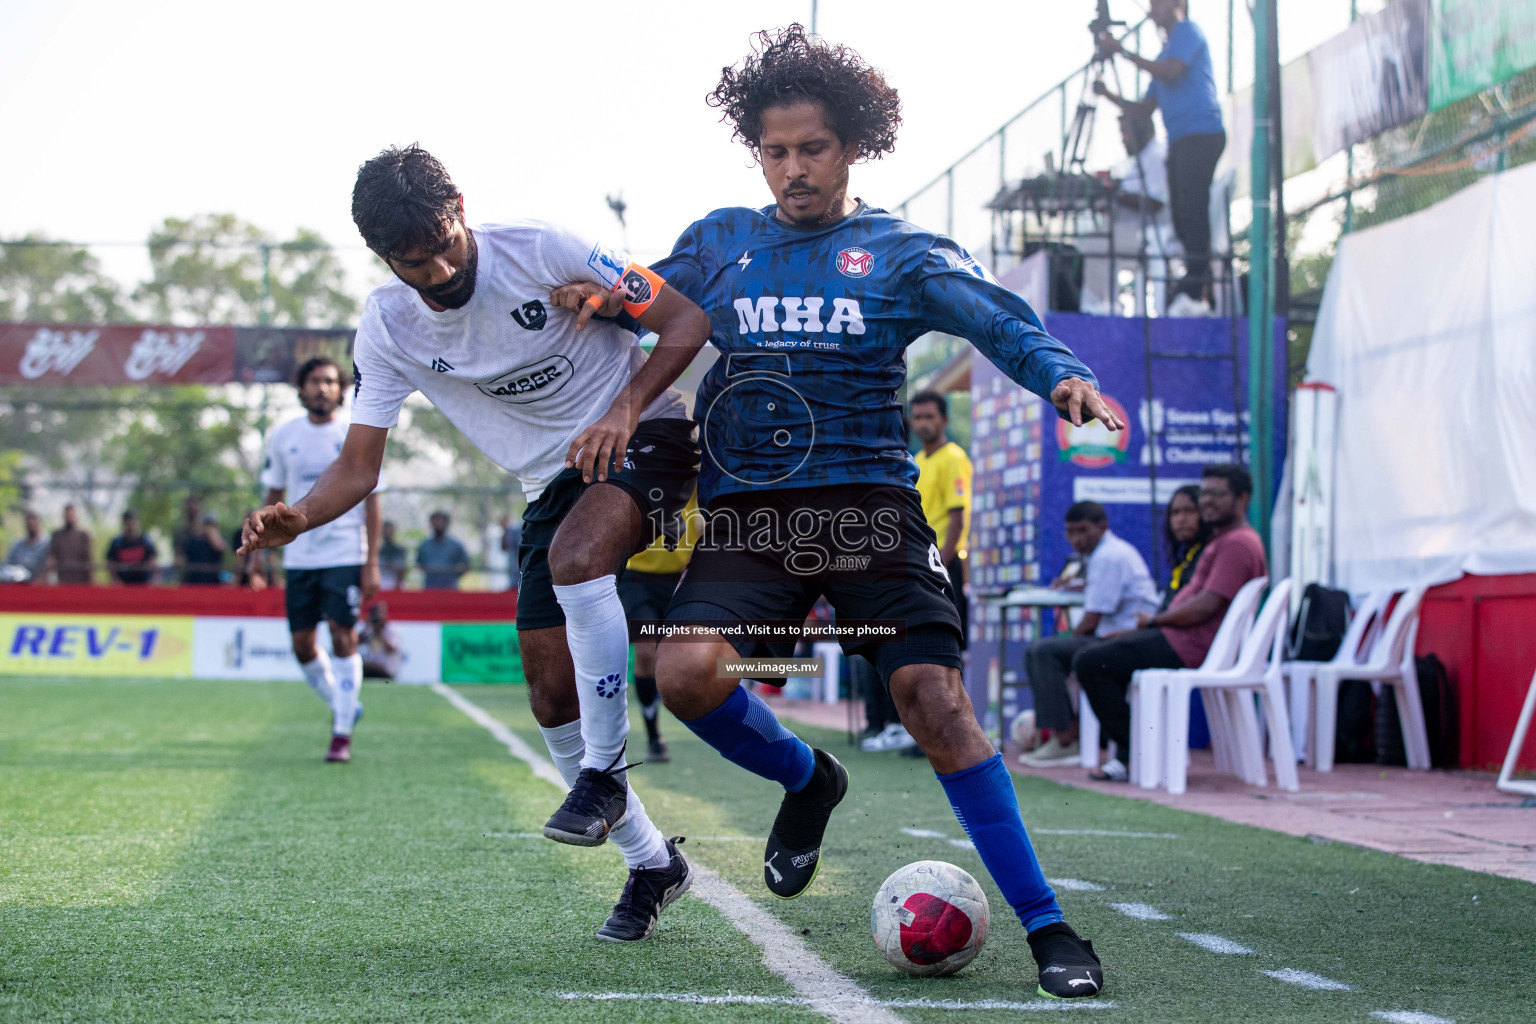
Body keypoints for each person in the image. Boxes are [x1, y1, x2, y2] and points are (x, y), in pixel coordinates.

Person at [551, 26, 1119, 998]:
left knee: (935, 705)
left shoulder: (899, 252)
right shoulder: (725, 239)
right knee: (685, 675)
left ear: (852, 145)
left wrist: (1065, 381)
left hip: (869, 514)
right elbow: (656, 293)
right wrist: (601, 297)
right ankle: (809, 778)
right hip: (750, 520)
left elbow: (999, 321)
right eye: (775, 150)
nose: (793, 168)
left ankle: (1049, 926)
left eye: (812, 148)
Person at [238, 145, 713, 942]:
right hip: (550, 484)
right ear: (385, 258)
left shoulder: (543, 246)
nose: (436, 272)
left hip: (648, 432)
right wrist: (302, 516)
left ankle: (602, 775)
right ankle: (651, 862)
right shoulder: (387, 323)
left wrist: (625, 408)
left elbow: (685, 319)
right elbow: (359, 466)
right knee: (549, 696)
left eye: (444, 246)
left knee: (576, 559)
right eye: (411, 262)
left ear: (460, 204)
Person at [1074, 464, 1267, 781]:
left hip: (1190, 646)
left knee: (1091, 661)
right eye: (1204, 492)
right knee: (1102, 652)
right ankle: (1130, 754)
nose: (1207, 501)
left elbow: (1206, 607)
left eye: (1217, 493)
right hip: (1180, 639)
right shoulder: (1225, 541)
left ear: (1242, 499)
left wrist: (1154, 622)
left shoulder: (1238, 544)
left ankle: (1134, 751)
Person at [255, 356, 383, 764]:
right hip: (298, 557)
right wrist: (259, 549)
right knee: (302, 646)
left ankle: (341, 730)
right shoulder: (283, 436)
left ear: (341, 389)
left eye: (330, 381)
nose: (322, 388)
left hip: (344, 551)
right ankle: (345, 703)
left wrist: (372, 561)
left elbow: (373, 502)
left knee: (343, 636)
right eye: (314, 381)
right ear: (301, 388)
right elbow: (272, 495)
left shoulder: (354, 435)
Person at [1095, 0, 1225, 315]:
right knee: (1182, 212)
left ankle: (1197, 287)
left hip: (1202, 134)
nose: (1153, 7)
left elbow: (1171, 72)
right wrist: (1109, 94)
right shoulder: (1164, 54)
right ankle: (1191, 285)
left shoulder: (1188, 33)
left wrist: (1122, 52)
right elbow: (1144, 109)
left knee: (1192, 207)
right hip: (1180, 139)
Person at [1018, 502, 1158, 768]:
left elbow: (1090, 622)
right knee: (1050, 650)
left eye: (1083, 531)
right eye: (1070, 532)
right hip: (1122, 636)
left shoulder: (1108, 556)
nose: (1076, 539)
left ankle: (1065, 739)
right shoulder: (1105, 554)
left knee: (1043, 652)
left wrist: (1070, 641)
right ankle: (1068, 733)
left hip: (1127, 639)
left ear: (1102, 527)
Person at [618, 492, 700, 763]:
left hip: (678, 577)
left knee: (681, 658)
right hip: (636, 577)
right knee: (645, 652)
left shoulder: (696, 465)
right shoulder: (638, 460)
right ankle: (654, 736)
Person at [1079, 110, 1177, 316]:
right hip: (1132, 230)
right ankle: (1104, 307)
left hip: (1152, 232)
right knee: (1094, 239)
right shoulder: (1140, 158)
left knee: (1096, 244)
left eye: (1126, 133)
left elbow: (1154, 204)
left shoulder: (1156, 156)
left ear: (1142, 131)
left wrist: (1114, 193)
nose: (1123, 140)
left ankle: (1102, 310)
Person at [1158, 483, 1211, 613]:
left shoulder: (1209, 555)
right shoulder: (1184, 558)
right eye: (1175, 513)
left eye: (1189, 511)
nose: (1181, 519)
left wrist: (1151, 622)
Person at [416, 511, 469, 590]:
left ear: (447, 523)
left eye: (440, 520)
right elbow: (419, 564)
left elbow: (467, 565)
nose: (437, 523)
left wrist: (452, 574)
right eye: (435, 520)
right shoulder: (424, 545)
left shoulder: (456, 545)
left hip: (450, 588)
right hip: (430, 588)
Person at [106, 511, 157, 585]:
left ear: (137, 523)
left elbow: (153, 561)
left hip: (143, 585)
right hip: (123, 586)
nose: (130, 526)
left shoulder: (146, 541)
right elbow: (110, 563)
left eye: (132, 522)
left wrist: (152, 581)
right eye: (127, 523)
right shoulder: (116, 542)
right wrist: (115, 579)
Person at [48, 504, 93, 584]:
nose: (69, 518)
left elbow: (88, 559)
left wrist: (90, 580)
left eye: (71, 515)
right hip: (62, 579)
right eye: (67, 515)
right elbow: (52, 557)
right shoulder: (57, 535)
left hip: (80, 579)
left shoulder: (83, 535)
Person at [357, 602, 403, 680]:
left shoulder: (392, 629)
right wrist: (367, 625)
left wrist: (379, 632)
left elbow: (390, 649)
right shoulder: (369, 629)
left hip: (387, 671)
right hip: (370, 668)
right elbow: (357, 642)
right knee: (359, 668)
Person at [181, 513, 227, 585]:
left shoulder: (219, 540)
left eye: (211, 525)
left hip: (213, 581)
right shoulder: (192, 540)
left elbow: (222, 549)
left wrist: (213, 537)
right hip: (194, 580)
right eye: (207, 524)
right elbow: (185, 559)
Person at [7, 512, 51, 582]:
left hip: (40, 582)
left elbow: (50, 564)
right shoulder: (17, 545)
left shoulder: (47, 544)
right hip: (19, 582)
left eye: (34, 525)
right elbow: (9, 563)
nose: (32, 528)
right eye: (29, 525)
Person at [377, 520, 408, 590]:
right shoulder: (377, 550)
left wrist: (397, 586)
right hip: (381, 581)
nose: (387, 532)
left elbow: (401, 570)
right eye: (385, 529)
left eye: (389, 529)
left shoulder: (400, 550)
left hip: (395, 583)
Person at [499, 514, 522, 591]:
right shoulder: (508, 531)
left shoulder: (514, 531)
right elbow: (503, 547)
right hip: (514, 571)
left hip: (518, 571)